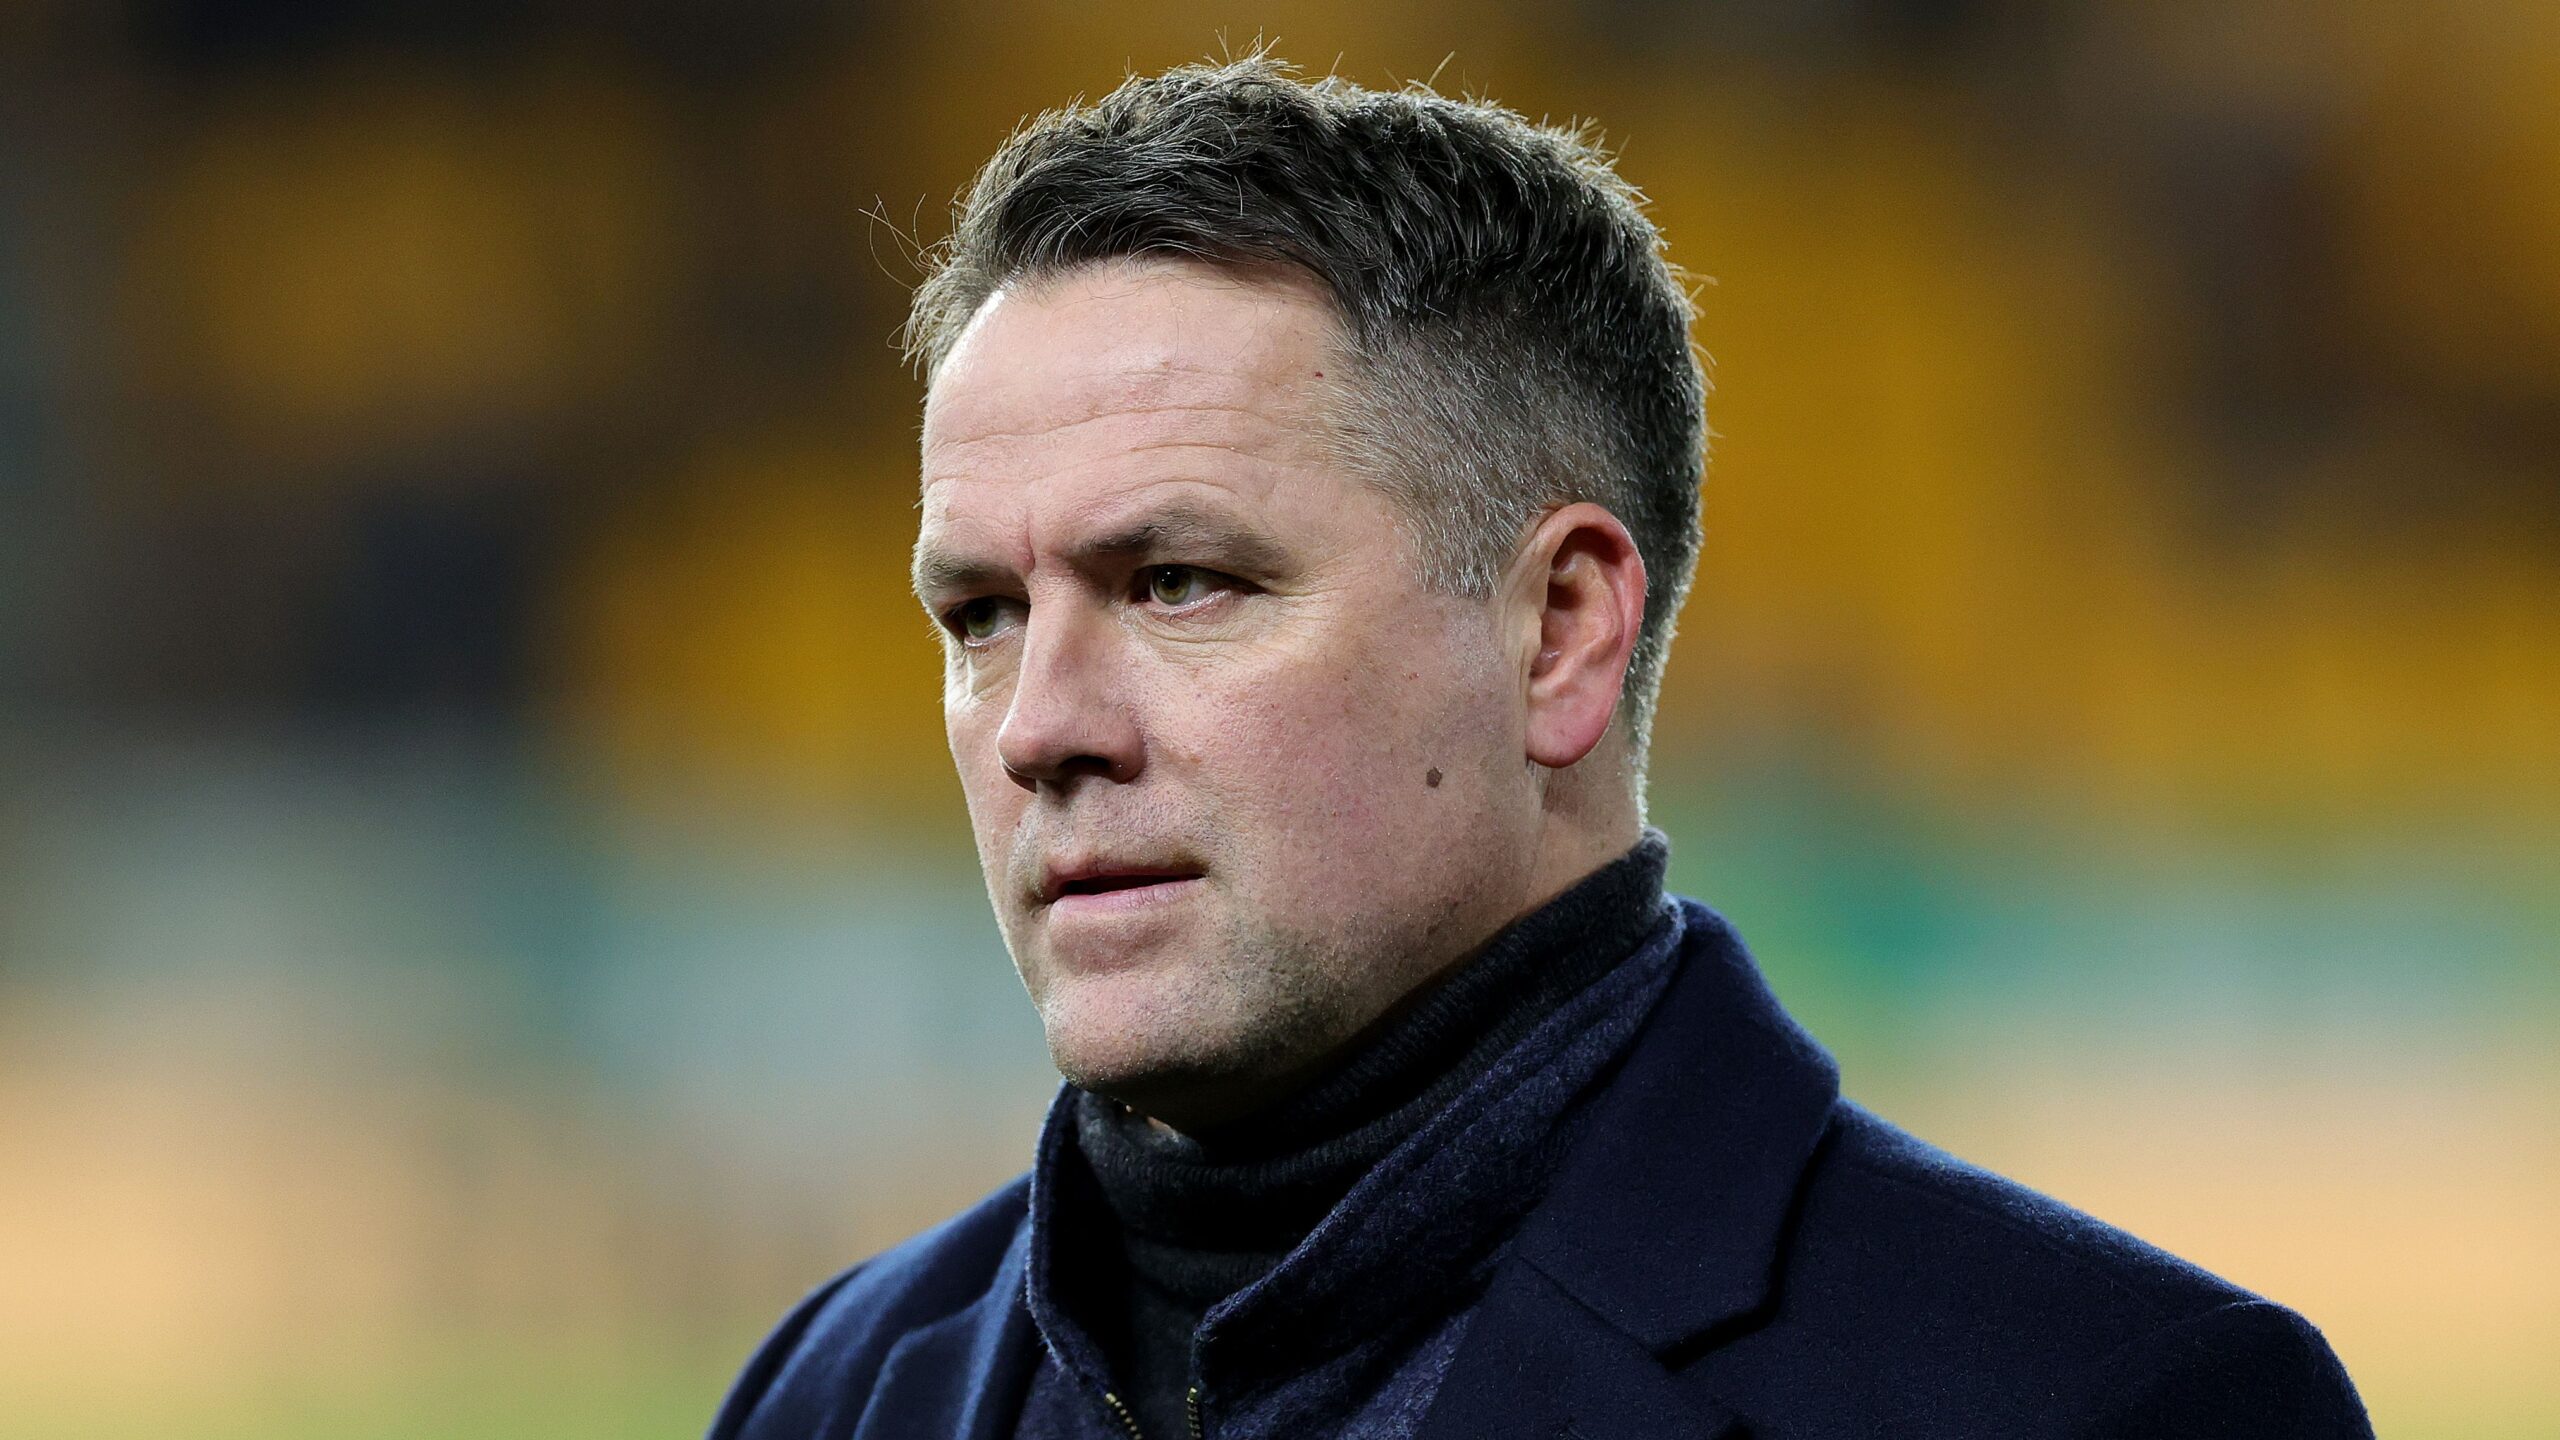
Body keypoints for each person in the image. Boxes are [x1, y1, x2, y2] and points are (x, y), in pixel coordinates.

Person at [708, 55, 2372, 1440]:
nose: (1039, 728)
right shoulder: (828, 1398)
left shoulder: (2108, 1405)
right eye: (981, 615)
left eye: (1180, 582)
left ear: (1560, 632)